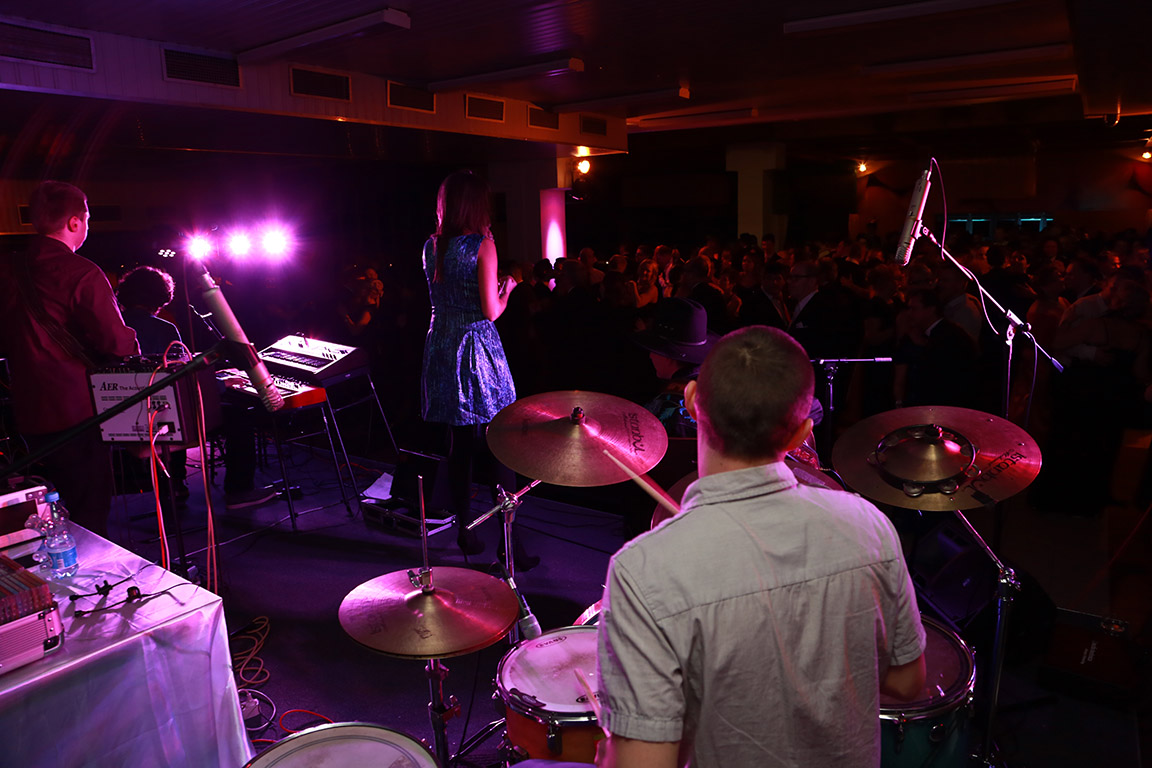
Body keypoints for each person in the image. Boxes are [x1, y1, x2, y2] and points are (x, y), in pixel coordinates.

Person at [593, 326, 926, 768]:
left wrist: (611, 756)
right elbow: (907, 681)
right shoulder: (868, 525)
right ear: (801, 433)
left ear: (691, 400)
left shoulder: (643, 570)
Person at [0, 181, 139, 537]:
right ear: (76, 222)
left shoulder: (8, 270)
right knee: (88, 510)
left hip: (28, 411)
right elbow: (116, 344)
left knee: (46, 511)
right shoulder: (81, 272)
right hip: (77, 411)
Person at [420, 171, 520, 557]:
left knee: (459, 443)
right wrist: (507, 291)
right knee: (500, 441)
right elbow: (490, 311)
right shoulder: (483, 245)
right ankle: (510, 543)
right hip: (476, 347)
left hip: (442, 344)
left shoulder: (431, 245)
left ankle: (465, 528)